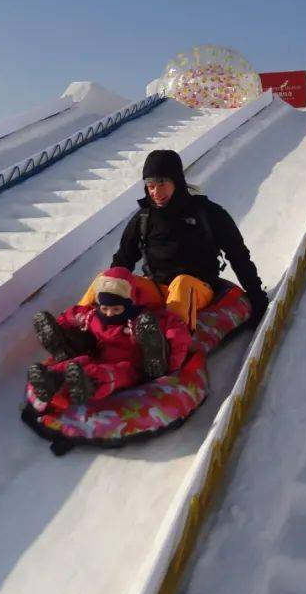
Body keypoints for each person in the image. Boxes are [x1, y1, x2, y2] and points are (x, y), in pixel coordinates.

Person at [81, 149, 268, 331]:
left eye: (162, 184)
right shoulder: (144, 218)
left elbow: (238, 256)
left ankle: (169, 344)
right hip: (157, 288)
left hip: (197, 289)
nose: (155, 192)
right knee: (106, 277)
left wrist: (257, 297)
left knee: (181, 283)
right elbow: (123, 261)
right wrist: (112, 287)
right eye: (151, 185)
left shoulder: (207, 213)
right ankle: (77, 324)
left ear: (177, 182)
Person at [29, 267, 192, 405]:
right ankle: (50, 378)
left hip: (133, 364)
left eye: (116, 310)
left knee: (115, 372)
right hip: (100, 356)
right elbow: (72, 315)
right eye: (105, 308)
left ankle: (90, 384)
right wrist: (60, 328)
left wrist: (173, 362)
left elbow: (176, 329)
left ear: (129, 304)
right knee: (81, 362)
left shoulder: (142, 317)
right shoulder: (92, 315)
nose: (109, 313)